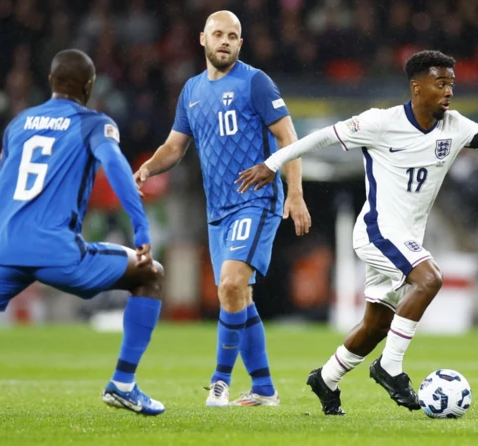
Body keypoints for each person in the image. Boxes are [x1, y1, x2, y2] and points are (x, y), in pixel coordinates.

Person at [235, 50, 478, 415]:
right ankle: (390, 367)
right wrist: (272, 163)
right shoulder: (380, 122)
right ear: (417, 87)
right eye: (440, 84)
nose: (448, 92)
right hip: (378, 230)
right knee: (429, 279)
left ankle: (325, 379)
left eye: (451, 84)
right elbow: (320, 139)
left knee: (376, 324)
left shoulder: (456, 126)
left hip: (406, 237)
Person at [0, 49, 166, 416]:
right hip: (55, 251)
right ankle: (123, 384)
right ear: (89, 87)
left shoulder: (18, 124)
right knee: (150, 274)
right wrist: (140, 229)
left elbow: (5, 185)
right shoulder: (94, 123)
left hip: (2, 251)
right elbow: (116, 166)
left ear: (50, 83)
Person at [134, 10, 311, 407]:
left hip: (257, 200)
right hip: (219, 210)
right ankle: (264, 389)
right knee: (236, 296)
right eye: (218, 34)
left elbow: (289, 138)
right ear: (203, 39)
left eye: (233, 35)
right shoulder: (191, 91)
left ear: (240, 44)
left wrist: (294, 193)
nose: (225, 41)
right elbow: (174, 148)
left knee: (231, 285)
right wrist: (148, 166)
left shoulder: (255, 82)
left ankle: (219, 381)